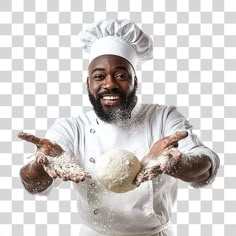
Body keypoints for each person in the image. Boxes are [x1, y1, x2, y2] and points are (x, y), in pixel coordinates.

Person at [18, 19, 220, 236]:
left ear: (135, 81)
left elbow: (205, 167)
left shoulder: (163, 118)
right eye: (99, 76)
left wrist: (175, 164)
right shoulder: (71, 127)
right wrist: (42, 165)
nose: (110, 84)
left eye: (121, 75)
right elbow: (33, 184)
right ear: (89, 84)